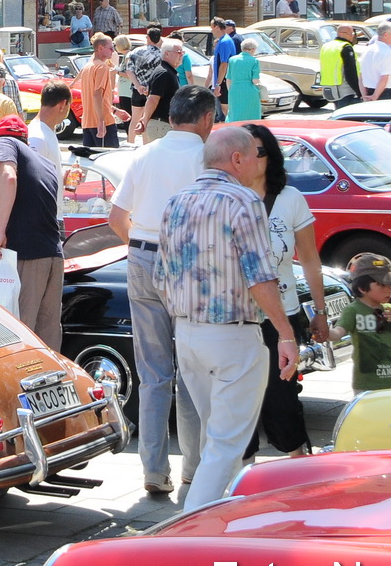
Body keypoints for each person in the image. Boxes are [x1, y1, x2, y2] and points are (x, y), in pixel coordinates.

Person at [155, 125, 296, 510]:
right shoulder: (244, 200)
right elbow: (260, 275)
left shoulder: (176, 201)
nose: (257, 162)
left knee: (216, 440)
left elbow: (161, 277)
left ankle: (224, 518)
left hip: (188, 333)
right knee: (225, 445)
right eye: (254, 155)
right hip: (232, 335)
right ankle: (190, 530)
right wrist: (285, 332)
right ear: (237, 159)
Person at [108, 86, 217, 495]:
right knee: (190, 368)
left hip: (142, 254)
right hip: (188, 260)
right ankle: (193, 466)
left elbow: (116, 216)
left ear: (170, 118)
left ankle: (153, 469)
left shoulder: (146, 154)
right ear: (206, 119)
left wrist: (140, 247)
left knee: (153, 372)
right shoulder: (207, 158)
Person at [239, 123, 329, 457]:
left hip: (281, 315)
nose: (252, 158)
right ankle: (239, 477)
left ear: (271, 156)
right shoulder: (227, 196)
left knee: (283, 400)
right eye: (244, 151)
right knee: (240, 403)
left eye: (260, 151)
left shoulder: (290, 198)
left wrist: (319, 311)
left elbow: (310, 259)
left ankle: (298, 466)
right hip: (237, 316)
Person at [0, 114, 64, 347]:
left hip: (27, 254)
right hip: (54, 254)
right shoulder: (46, 163)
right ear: (26, 138)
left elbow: (8, 177)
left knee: (20, 335)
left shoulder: (4, 144)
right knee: (48, 337)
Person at [336, 253, 391, 393]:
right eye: (382, 285)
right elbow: (338, 332)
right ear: (362, 288)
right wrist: (325, 332)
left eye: (390, 284)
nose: (388, 289)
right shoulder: (353, 310)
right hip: (367, 383)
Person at [133, 41, 183, 144]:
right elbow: (153, 99)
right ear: (167, 53)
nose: (181, 55)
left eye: (182, 52)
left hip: (163, 125)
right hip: (160, 126)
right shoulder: (164, 73)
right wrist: (144, 120)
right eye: (178, 52)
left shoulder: (168, 72)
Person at [75, 34, 120, 146]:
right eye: (110, 48)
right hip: (103, 122)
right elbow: (97, 95)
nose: (113, 51)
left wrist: (114, 110)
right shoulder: (102, 67)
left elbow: (94, 97)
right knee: (110, 155)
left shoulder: (87, 67)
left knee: (90, 156)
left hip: (87, 122)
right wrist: (101, 121)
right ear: (100, 48)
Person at [318, 24, 362, 107]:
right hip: (344, 90)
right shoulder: (345, 47)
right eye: (351, 33)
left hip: (328, 87)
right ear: (341, 34)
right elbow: (350, 72)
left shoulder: (326, 46)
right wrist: (359, 92)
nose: (353, 36)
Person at [357, 20, 391, 101]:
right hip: (385, 94)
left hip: (368, 92)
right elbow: (384, 77)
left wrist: (364, 96)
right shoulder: (386, 52)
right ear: (385, 35)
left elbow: (361, 76)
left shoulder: (367, 50)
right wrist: (375, 96)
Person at [28, 81, 69, 170]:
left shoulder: (44, 131)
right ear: (62, 105)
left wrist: (63, 177)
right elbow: (32, 175)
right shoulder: (38, 138)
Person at [225, 39, 264, 120]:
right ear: (252, 49)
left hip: (235, 89)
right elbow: (255, 80)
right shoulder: (254, 61)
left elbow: (228, 79)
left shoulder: (232, 60)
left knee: (234, 113)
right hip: (250, 90)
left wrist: (231, 91)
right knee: (251, 114)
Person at [208, 17, 239, 111]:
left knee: (226, 109)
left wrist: (218, 84)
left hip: (225, 80)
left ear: (217, 27)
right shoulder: (223, 40)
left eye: (212, 27)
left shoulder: (224, 42)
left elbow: (224, 64)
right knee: (225, 109)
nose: (211, 30)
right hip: (224, 80)